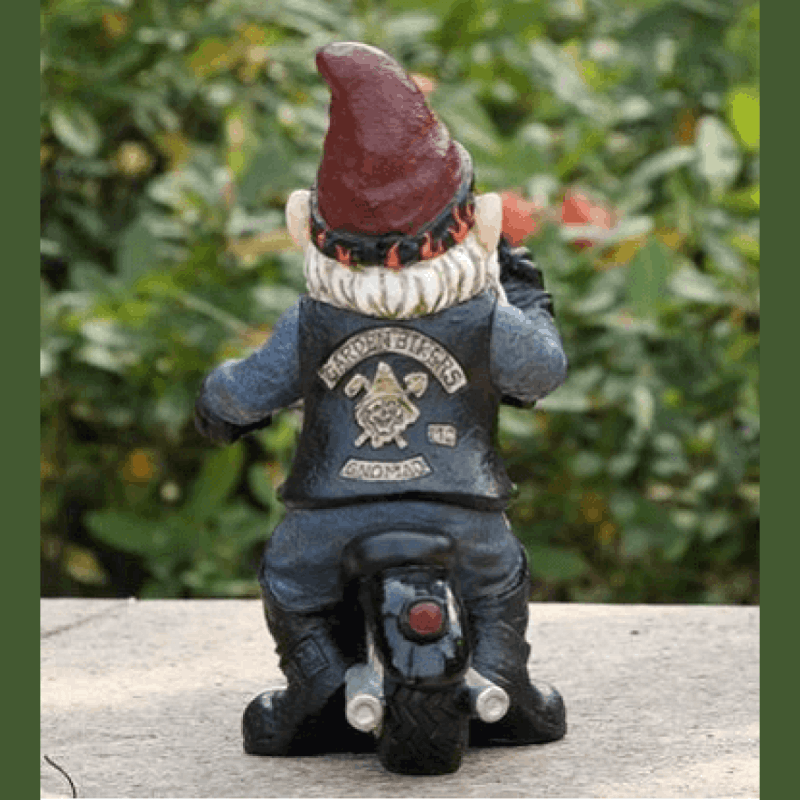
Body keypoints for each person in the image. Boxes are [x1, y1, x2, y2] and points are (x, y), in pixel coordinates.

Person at [195, 42, 568, 757]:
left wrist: (218, 403)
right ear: (468, 224)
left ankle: (314, 687)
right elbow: (541, 372)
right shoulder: (484, 315)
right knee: (499, 584)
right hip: (463, 514)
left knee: (290, 584)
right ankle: (505, 682)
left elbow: (248, 390)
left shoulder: (313, 320)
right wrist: (526, 295)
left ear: (313, 229)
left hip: (329, 521)